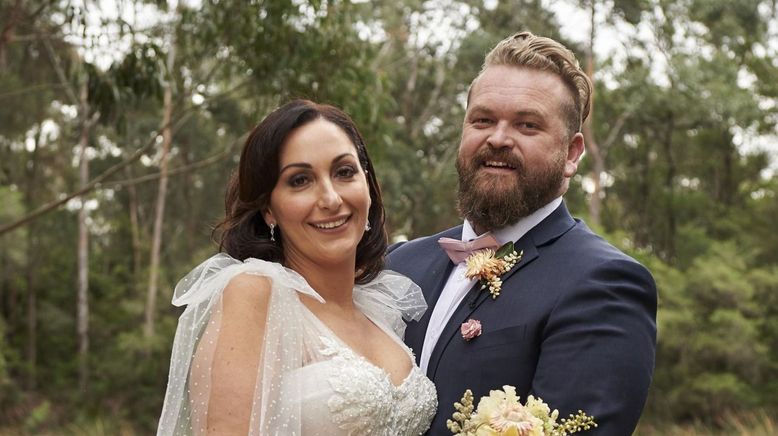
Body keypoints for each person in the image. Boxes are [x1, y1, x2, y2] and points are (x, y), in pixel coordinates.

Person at [387, 31, 657, 436]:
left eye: (527, 125)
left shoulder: (606, 284)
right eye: (482, 120)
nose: (497, 138)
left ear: (571, 153)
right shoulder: (397, 264)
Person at [157, 99, 437, 435]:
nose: (331, 199)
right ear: (268, 210)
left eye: (344, 172)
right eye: (300, 180)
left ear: (368, 185)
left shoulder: (384, 313)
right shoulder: (255, 294)